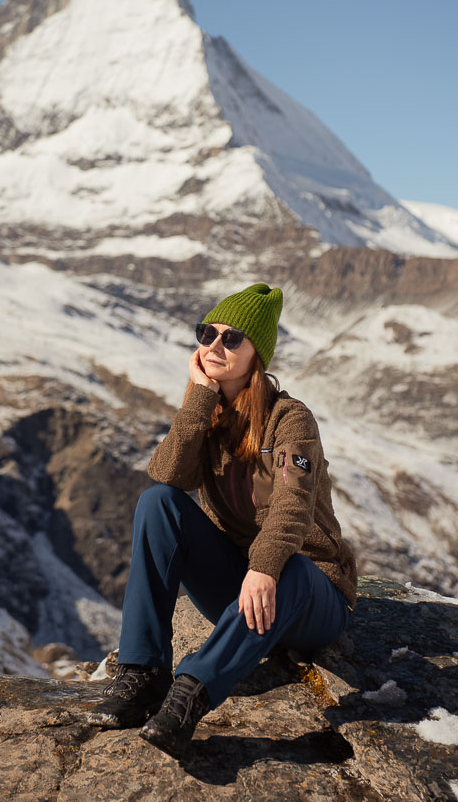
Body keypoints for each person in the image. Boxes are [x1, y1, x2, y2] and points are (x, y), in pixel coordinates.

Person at [84, 283, 357, 757]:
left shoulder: (290, 419)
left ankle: (192, 693)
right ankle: (143, 673)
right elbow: (169, 475)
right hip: (243, 591)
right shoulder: (208, 414)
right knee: (157, 503)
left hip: (308, 595)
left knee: (289, 563)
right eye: (206, 333)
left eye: (232, 339)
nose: (213, 345)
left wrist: (266, 566)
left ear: (258, 356)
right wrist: (198, 401)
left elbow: (293, 506)